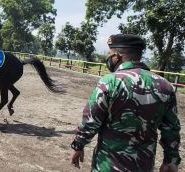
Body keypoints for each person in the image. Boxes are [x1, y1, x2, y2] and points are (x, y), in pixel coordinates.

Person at [70, 34, 181, 172]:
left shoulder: (110, 82)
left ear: (117, 56)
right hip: (144, 165)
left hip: (108, 165)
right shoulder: (165, 86)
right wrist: (171, 160)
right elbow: (171, 129)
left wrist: (78, 145)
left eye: (110, 54)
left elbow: (91, 121)